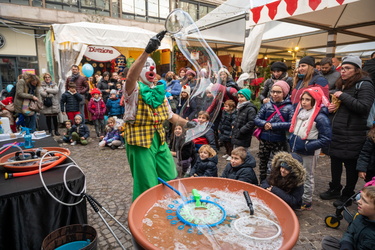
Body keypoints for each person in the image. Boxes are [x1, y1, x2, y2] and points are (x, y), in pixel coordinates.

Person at [123, 31, 189, 201]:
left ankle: (164, 203)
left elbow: (170, 116)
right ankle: (145, 215)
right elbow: (130, 76)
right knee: (146, 182)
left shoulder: (159, 91)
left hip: (158, 139)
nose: (150, 68)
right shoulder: (133, 89)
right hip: (139, 141)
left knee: (170, 173)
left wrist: (191, 123)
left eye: (152, 65)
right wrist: (147, 52)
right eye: (146, 66)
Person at [321, 55, 375, 207]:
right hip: (338, 131)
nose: (343, 71)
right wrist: (331, 108)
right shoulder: (342, 83)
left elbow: (364, 107)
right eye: (342, 68)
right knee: (335, 161)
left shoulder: (365, 85)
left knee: (351, 165)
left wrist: (343, 96)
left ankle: (347, 194)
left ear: (357, 70)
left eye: (348, 68)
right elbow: (339, 105)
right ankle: (335, 188)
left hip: (354, 133)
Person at [289, 87, 332, 210]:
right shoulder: (300, 113)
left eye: (308, 100)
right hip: (296, 149)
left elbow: (326, 138)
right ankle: (296, 196)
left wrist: (308, 146)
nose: (303, 102)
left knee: (307, 175)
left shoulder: (320, 117)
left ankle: (306, 200)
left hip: (309, 152)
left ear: (315, 101)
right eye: (302, 99)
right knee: (296, 173)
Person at [255, 80, 294, 182]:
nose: (275, 94)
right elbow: (257, 119)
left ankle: (274, 183)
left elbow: (291, 124)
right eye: (273, 92)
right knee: (263, 162)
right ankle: (262, 181)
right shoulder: (267, 105)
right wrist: (264, 124)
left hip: (279, 140)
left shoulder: (289, 107)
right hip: (264, 139)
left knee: (277, 163)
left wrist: (273, 126)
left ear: (284, 93)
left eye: (278, 92)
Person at [321, 186, 375, 250]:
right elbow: (350, 232)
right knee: (327, 241)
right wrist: (346, 244)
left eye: (365, 201)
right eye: (360, 198)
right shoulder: (359, 216)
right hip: (353, 246)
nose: (358, 201)